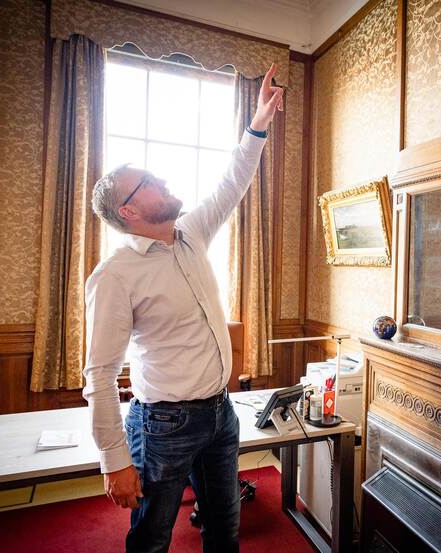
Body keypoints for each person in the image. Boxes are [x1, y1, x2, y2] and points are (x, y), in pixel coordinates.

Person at [83, 64, 284, 553]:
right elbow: (100, 375)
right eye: (148, 181)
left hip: (222, 413)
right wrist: (115, 462)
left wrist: (256, 125)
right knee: (152, 538)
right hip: (163, 425)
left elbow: (232, 182)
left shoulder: (192, 232)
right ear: (127, 212)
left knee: (224, 530)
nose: (162, 179)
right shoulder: (115, 275)